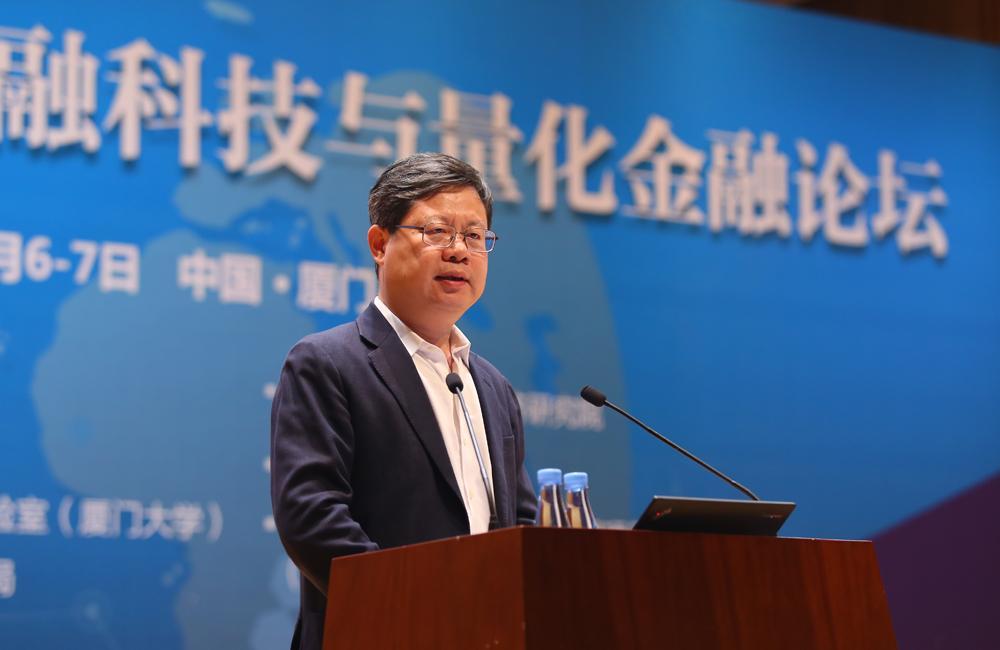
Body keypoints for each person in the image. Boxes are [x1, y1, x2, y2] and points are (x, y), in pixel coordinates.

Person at [270, 153, 537, 650]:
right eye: (437, 231)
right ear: (379, 244)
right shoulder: (327, 363)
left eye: (474, 236)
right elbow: (312, 518)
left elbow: (520, 523)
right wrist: (423, 612)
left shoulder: (493, 387)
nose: (459, 251)